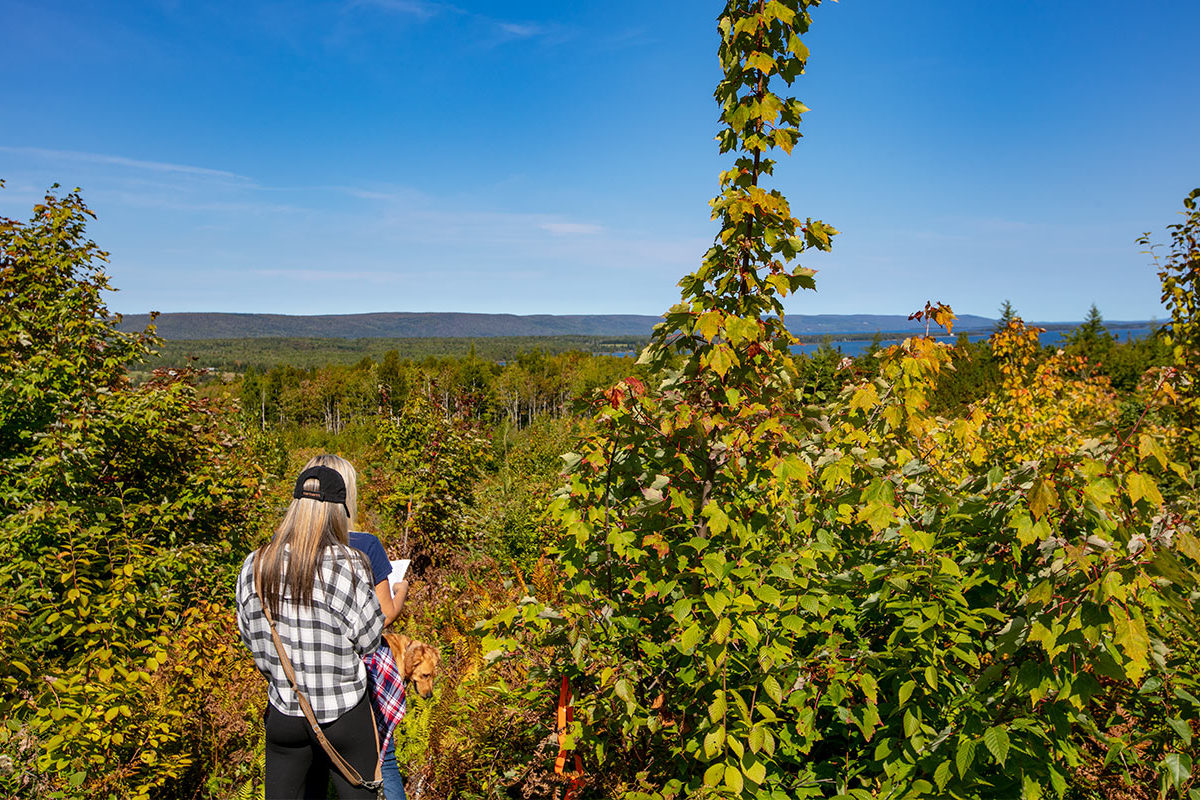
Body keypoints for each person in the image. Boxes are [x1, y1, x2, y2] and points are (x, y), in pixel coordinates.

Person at [236, 454, 387, 799]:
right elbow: (369, 639)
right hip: (344, 711)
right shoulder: (348, 564)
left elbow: (251, 639)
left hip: (285, 711)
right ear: (338, 511)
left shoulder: (255, 564)